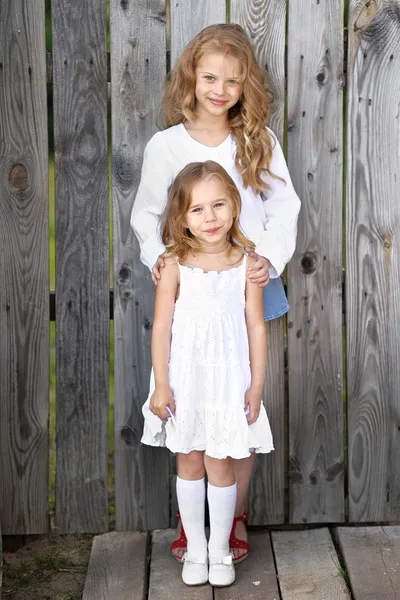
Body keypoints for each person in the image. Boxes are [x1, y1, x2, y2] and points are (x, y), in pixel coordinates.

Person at [131, 23, 301, 563]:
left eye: (232, 80)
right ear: (191, 77)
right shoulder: (167, 146)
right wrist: (157, 258)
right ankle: (193, 526)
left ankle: (234, 519)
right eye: (209, 77)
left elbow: (284, 207)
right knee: (190, 405)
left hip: (247, 288)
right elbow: (147, 214)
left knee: (240, 412)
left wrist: (267, 259)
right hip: (191, 294)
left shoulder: (257, 141)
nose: (219, 89)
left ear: (245, 85)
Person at [140, 160, 274, 587]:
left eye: (218, 205)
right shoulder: (174, 264)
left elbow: (256, 325)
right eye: (197, 209)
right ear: (181, 217)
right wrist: (161, 384)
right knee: (189, 460)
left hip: (226, 383)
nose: (210, 217)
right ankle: (194, 549)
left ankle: (220, 550)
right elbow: (161, 327)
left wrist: (256, 385)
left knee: (222, 463)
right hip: (185, 380)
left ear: (234, 207)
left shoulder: (247, 265)